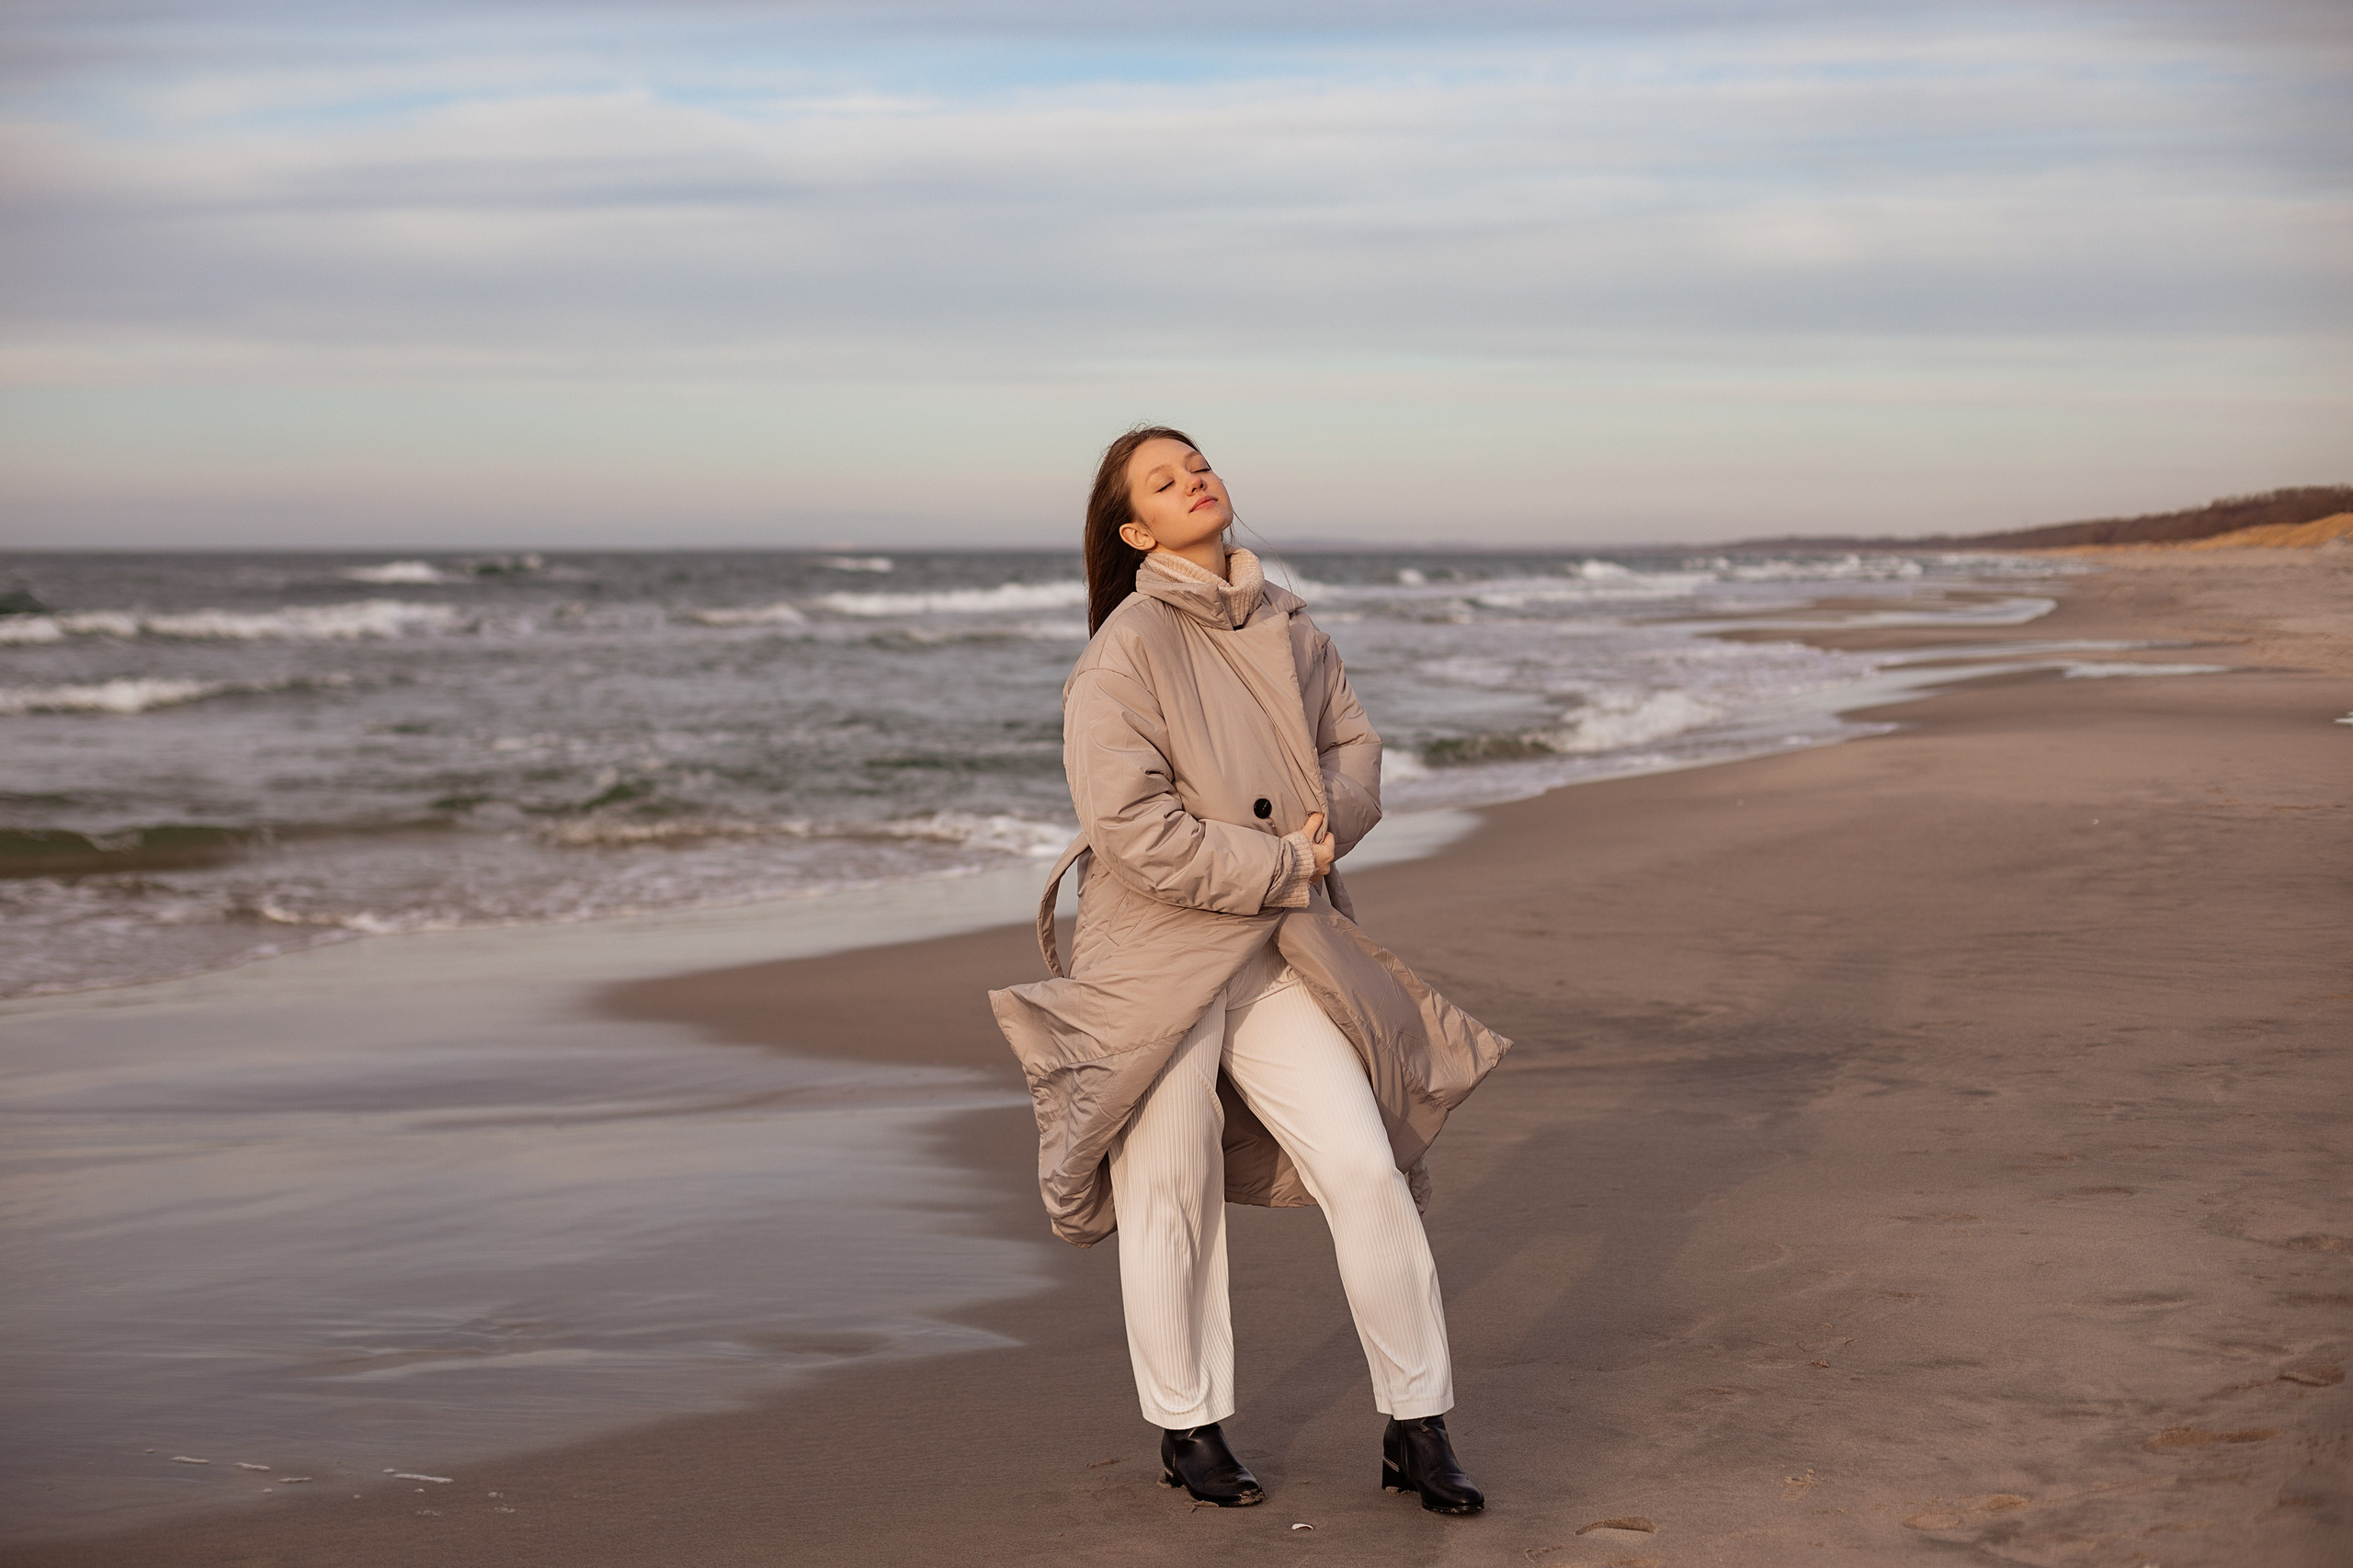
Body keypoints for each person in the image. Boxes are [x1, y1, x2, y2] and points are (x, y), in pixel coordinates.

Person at [988, 426, 1511, 1516]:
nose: (1196, 481)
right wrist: (1284, 858)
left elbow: (1353, 752)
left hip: (1279, 944)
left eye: (1199, 465)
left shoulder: (1289, 623)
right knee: (1170, 1189)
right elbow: (1131, 828)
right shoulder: (1123, 649)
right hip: (1158, 956)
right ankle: (1188, 1424)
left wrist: (1324, 836)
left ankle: (1418, 1424)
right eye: (1165, 481)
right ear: (1134, 529)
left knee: (1363, 1165)